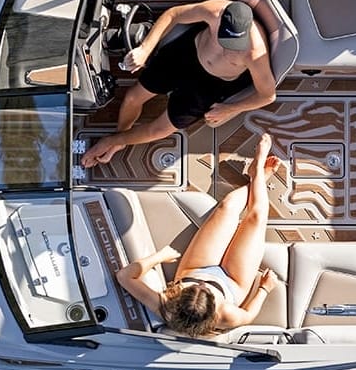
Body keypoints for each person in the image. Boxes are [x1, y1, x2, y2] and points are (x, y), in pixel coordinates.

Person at [116, 134, 282, 336]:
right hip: (232, 283)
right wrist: (264, 289)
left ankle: (257, 178)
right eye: (205, 290)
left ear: (178, 300)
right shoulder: (226, 315)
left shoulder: (165, 305)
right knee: (255, 218)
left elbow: (124, 277)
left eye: (194, 288)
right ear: (213, 310)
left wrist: (160, 257)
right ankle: (257, 175)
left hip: (197, 268)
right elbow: (248, 315)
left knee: (227, 207)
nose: (203, 285)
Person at [82, 0, 276, 166]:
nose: (227, 50)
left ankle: (110, 142)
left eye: (234, 46)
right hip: (187, 54)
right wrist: (145, 49)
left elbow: (267, 96)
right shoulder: (215, 11)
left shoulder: (255, 53)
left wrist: (230, 109)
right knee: (132, 97)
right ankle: (120, 139)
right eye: (224, 40)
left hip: (212, 84)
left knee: (160, 130)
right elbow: (173, 14)